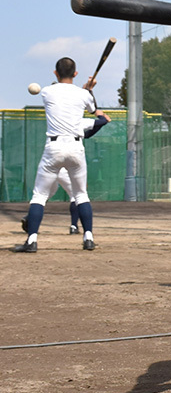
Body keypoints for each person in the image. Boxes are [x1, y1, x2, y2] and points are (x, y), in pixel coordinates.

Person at [14, 57, 106, 252]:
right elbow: (93, 111)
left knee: (39, 195)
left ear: (55, 73)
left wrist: (85, 89)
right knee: (81, 194)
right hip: (75, 147)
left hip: (54, 147)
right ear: (75, 73)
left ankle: (31, 241)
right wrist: (89, 89)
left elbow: (64, 95)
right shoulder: (83, 94)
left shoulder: (47, 91)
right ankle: (88, 238)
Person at [21, 115, 111, 235]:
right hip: (69, 162)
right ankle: (74, 226)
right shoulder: (76, 120)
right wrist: (102, 117)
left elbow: (88, 134)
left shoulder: (56, 120)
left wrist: (102, 120)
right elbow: (95, 126)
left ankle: (30, 218)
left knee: (43, 195)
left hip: (53, 158)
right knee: (77, 195)